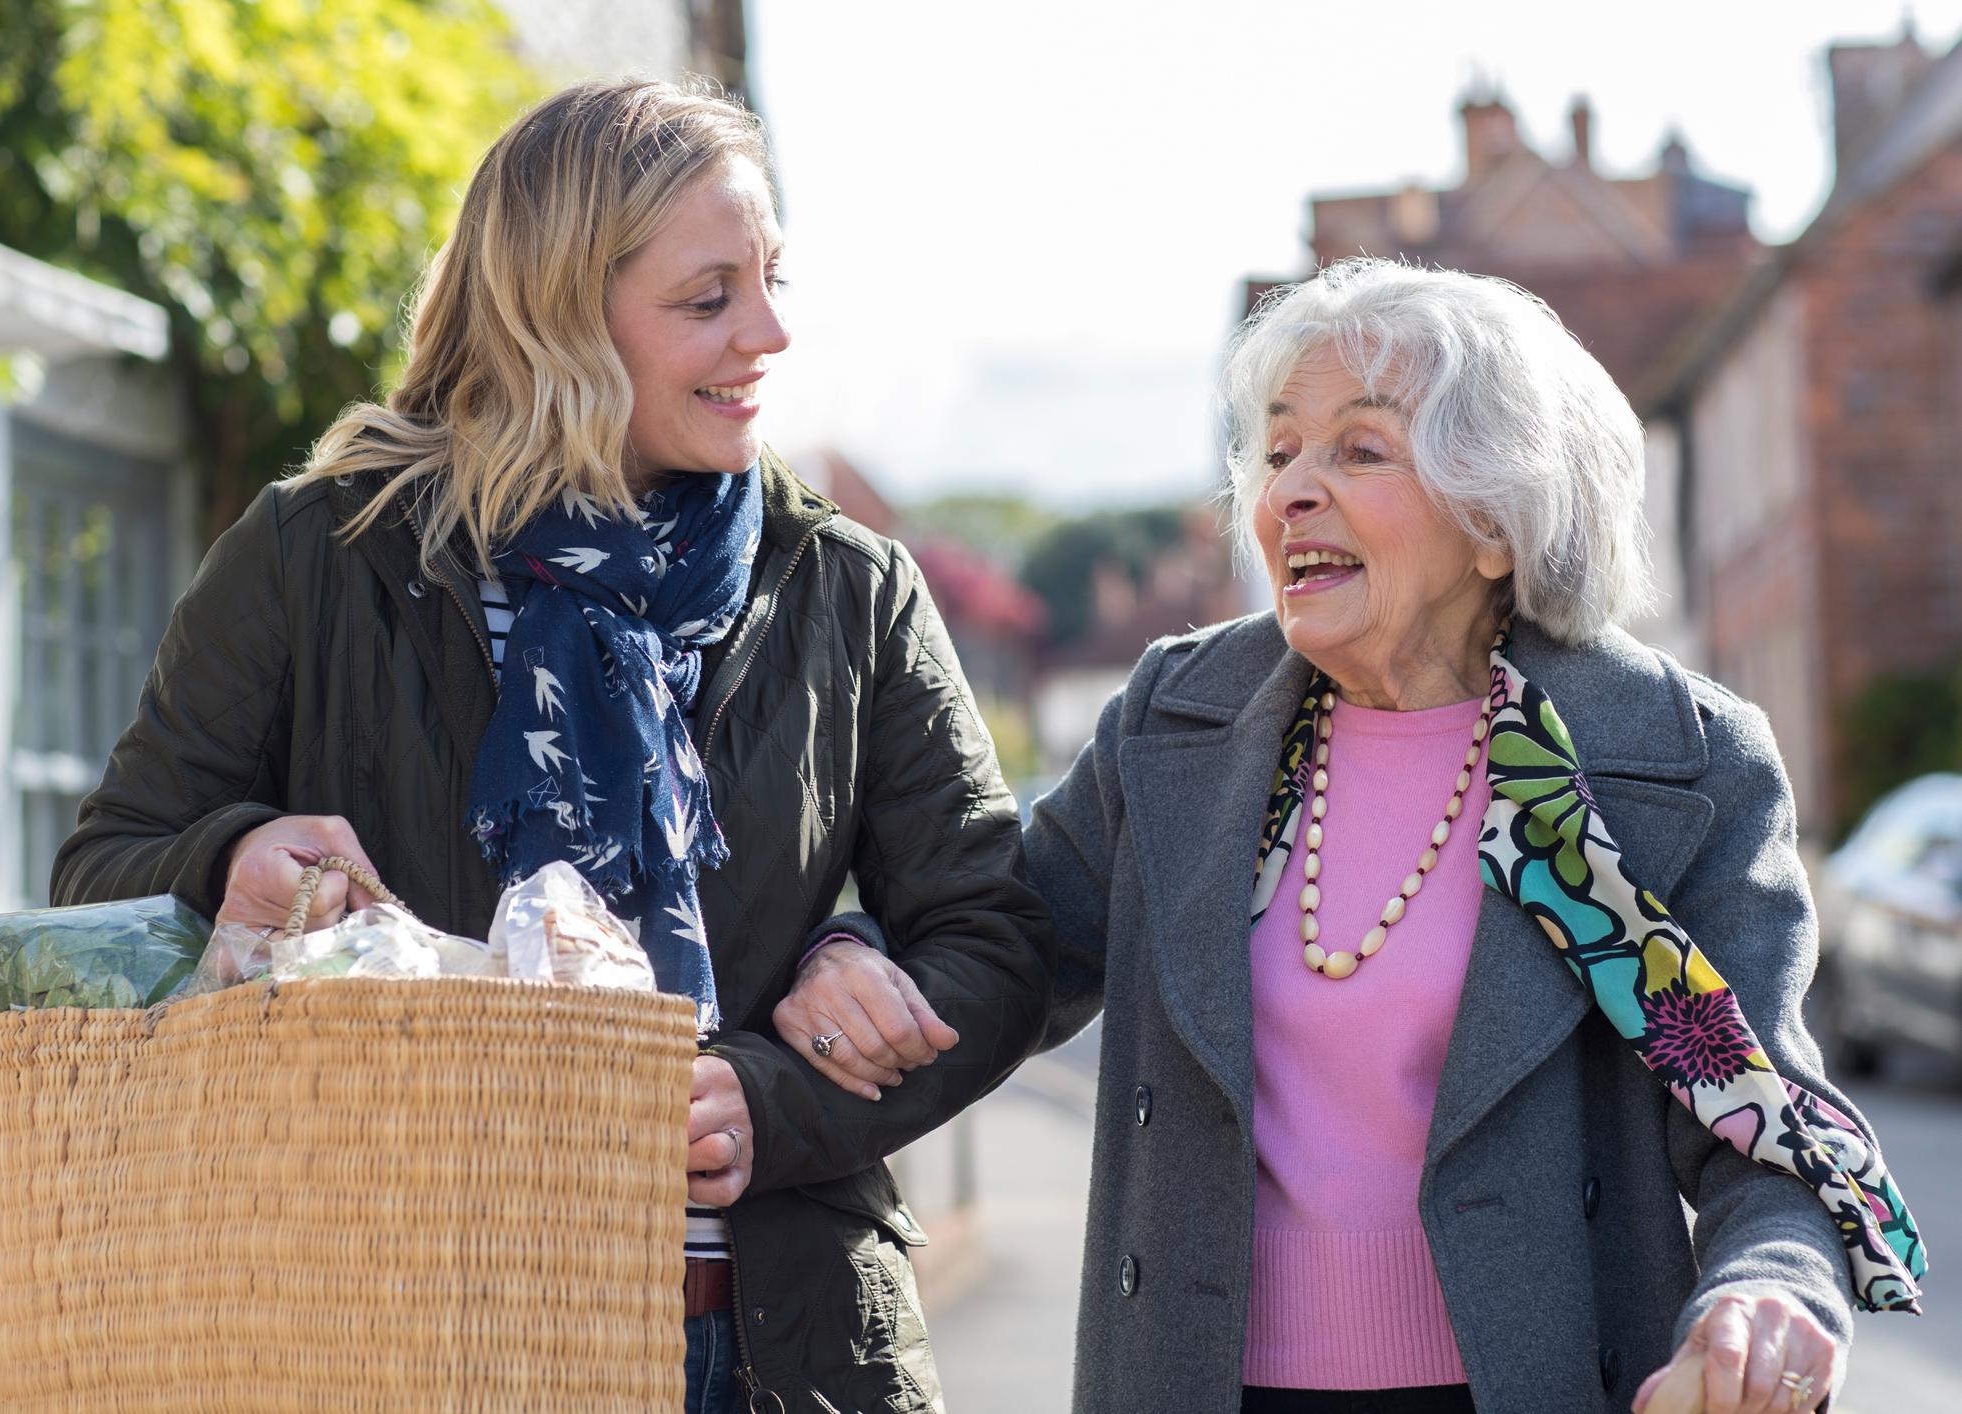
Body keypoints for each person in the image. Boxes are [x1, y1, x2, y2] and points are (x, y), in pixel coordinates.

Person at [52, 78, 1051, 1413]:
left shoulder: (844, 586)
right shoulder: (319, 559)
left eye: (771, 280)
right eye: (709, 299)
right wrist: (231, 854)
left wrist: (777, 1087)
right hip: (402, 1342)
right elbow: (96, 875)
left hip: (778, 1354)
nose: (770, 332)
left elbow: (994, 939)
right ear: (559, 317)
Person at [780, 258, 1925, 1414]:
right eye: (1279, 454)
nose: (1290, 495)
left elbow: (1758, 1119)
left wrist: (1768, 1291)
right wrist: (851, 964)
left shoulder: (1673, 756)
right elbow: (1000, 954)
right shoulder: (1180, 723)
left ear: (1495, 520)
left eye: (1361, 450)